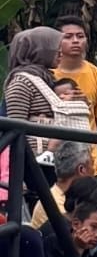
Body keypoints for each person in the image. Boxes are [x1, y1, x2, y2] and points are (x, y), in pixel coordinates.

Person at [55, 10, 97, 171]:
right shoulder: (47, 73)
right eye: (68, 36)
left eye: (80, 36)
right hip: (55, 157)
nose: (75, 41)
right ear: (56, 41)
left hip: (93, 160)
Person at [6, 26, 66, 158]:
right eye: (55, 48)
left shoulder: (46, 79)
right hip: (34, 160)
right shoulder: (22, 82)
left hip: (51, 159)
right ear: (40, 50)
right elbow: (15, 128)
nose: (61, 53)